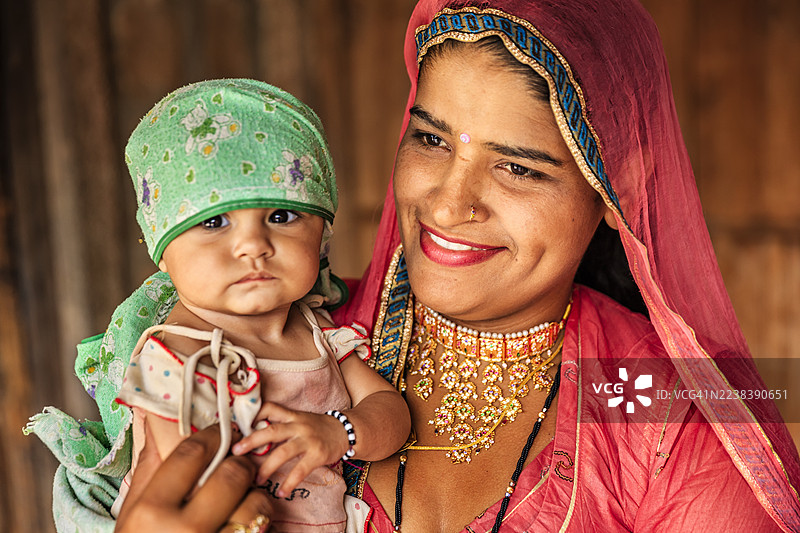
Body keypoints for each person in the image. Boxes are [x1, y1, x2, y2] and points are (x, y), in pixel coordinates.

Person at [30, 0, 800, 531]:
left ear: (611, 189)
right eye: (432, 139)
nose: (448, 201)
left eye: (520, 168)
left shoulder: (658, 408)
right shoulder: (312, 336)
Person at [26, 79, 410, 533]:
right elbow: (187, 479)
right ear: (162, 252)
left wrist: (341, 432)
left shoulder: (317, 332)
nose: (252, 245)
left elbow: (390, 411)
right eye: (214, 222)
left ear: (323, 234)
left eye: (281, 216)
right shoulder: (178, 356)